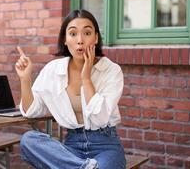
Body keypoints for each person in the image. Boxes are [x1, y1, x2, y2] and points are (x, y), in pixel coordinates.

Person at [14, 9, 126, 169]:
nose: (80, 40)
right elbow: (31, 111)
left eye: (87, 33)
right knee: (28, 140)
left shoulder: (111, 70)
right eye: (73, 34)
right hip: (71, 148)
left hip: (106, 146)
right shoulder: (53, 70)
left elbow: (100, 118)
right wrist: (25, 80)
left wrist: (86, 78)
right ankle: (85, 167)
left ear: (96, 38)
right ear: (65, 40)